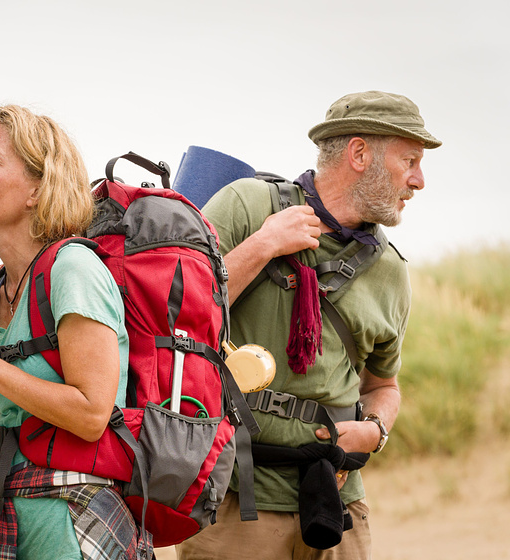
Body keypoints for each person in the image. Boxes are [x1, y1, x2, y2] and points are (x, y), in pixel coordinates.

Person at [177, 91, 441, 560]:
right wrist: (264, 244)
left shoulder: (391, 272)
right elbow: (177, 317)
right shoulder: (247, 206)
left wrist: (376, 430)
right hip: (237, 499)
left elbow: (383, 384)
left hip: (337, 503)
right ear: (360, 154)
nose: (419, 180)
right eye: (410, 161)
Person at [0, 105, 143, 560]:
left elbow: (90, 414)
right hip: (5, 514)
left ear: (37, 190)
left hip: (71, 527)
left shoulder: (74, 270)